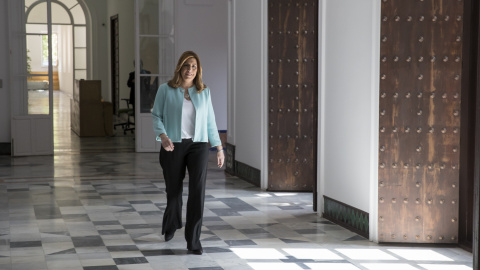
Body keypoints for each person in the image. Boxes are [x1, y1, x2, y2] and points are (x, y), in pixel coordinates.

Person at [152, 51, 224, 255]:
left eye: (194, 67)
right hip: (172, 144)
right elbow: (156, 116)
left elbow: (210, 121)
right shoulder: (165, 90)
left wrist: (218, 148)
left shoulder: (204, 91)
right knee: (173, 192)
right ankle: (172, 224)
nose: (190, 70)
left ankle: (193, 240)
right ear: (179, 68)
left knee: (197, 192)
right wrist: (163, 136)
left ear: (198, 70)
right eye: (186, 66)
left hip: (198, 146)